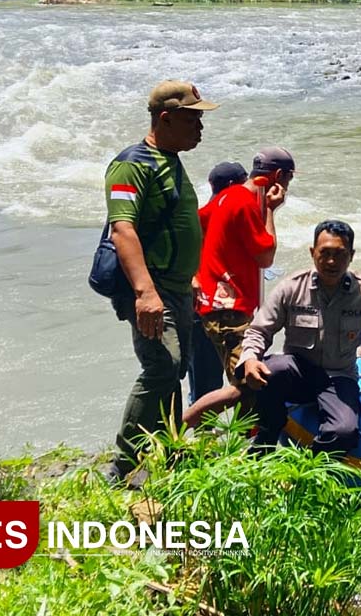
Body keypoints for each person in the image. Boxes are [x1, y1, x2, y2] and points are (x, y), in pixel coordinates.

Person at [104, 80, 216, 482]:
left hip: (178, 286)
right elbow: (122, 230)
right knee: (161, 367)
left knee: (178, 365)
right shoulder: (132, 165)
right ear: (165, 119)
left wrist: (192, 277)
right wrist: (146, 292)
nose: (200, 128)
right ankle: (123, 464)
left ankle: (169, 451)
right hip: (152, 289)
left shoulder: (171, 160)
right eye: (193, 120)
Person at [237, 220, 361, 454]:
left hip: (339, 377)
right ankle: (266, 440)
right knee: (271, 370)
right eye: (324, 253)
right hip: (298, 372)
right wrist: (251, 358)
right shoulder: (291, 287)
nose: (332, 262)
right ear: (312, 252)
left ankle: (308, 468)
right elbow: (259, 330)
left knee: (345, 432)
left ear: (352, 255)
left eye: (340, 254)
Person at [182, 149, 294, 429]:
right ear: (279, 177)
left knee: (244, 382)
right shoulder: (246, 203)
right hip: (228, 310)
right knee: (248, 381)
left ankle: (239, 443)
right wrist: (270, 210)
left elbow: (191, 226)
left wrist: (196, 273)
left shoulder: (225, 197)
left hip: (216, 304)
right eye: (289, 178)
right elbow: (266, 255)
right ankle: (176, 430)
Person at [187, 161, 249, 403]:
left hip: (201, 308)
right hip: (215, 309)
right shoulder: (226, 217)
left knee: (203, 379)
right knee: (237, 379)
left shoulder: (200, 216)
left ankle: (204, 434)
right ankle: (211, 434)